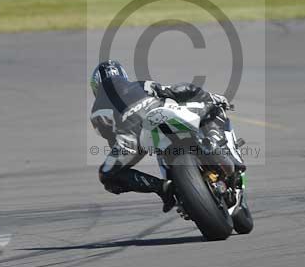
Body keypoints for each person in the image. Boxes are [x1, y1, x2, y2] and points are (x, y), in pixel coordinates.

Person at [89, 60, 241, 213]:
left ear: (95, 86)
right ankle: (215, 143)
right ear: (123, 75)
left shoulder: (96, 112)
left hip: (132, 137)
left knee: (107, 174)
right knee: (213, 105)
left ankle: (161, 187)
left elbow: (110, 137)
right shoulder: (140, 84)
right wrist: (208, 97)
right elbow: (173, 90)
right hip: (159, 112)